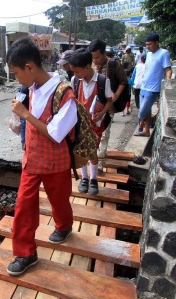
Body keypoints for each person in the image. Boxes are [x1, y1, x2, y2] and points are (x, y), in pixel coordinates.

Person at [6, 37, 77, 276]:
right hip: (32, 158)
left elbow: (57, 133)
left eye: (16, 73)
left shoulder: (64, 93)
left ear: (29, 67)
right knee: (24, 205)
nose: (17, 79)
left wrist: (25, 115)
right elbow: (28, 123)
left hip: (56, 160)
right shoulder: (30, 89)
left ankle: (64, 226)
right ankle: (25, 252)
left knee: (59, 200)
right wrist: (18, 122)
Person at [68, 49, 113, 195]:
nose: (75, 75)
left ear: (87, 68)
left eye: (77, 71)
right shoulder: (75, 81)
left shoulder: (102, 81)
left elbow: (109, 101)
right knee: (80, 150)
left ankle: (93, 179)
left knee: (93, 151)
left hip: (95, 125)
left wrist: (101, 113)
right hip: (80, 124)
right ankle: (84, 178)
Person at [88, 40, 128, 159]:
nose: (95, 61)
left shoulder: (113, 65)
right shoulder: (89, 65)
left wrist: (116, 94)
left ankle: (100, 156)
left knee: (105, 131)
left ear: (104, 53)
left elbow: (123, 81)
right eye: (92, 58)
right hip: (93, 105)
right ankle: (94, 154)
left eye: (97, 57)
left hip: (108, 105)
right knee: (92, 130)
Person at [136, 33, 172, 137]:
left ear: (156, 43)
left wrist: (168, 85)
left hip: (153, 89)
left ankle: (140, 124)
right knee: (146, 111)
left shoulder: (164, 53)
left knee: (142, 111)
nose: (147, 46)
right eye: (146, 44)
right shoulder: (149, 53)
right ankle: (146, 130)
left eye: (150, 44)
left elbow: (168, 69)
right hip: (144, 86)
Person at [19, 85, 30, 150]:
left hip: (26, 104)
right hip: (25, 104)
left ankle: (24, 141)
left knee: (23, 122)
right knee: (23, 122)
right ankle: (23, 141)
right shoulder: (24, 86)